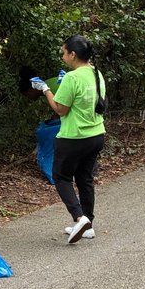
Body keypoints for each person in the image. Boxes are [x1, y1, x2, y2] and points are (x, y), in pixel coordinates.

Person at [32, 35, 106, 244]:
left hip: (74, 137)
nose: (63, 56)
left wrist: (45, 90)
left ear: (73, 54)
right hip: (96, 135)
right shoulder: (96, 73)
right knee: (85, 178)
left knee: (61, 177)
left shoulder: (72, 78)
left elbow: (60, 109)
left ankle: (79, 217)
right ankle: (88, 224)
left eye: (64, 52)